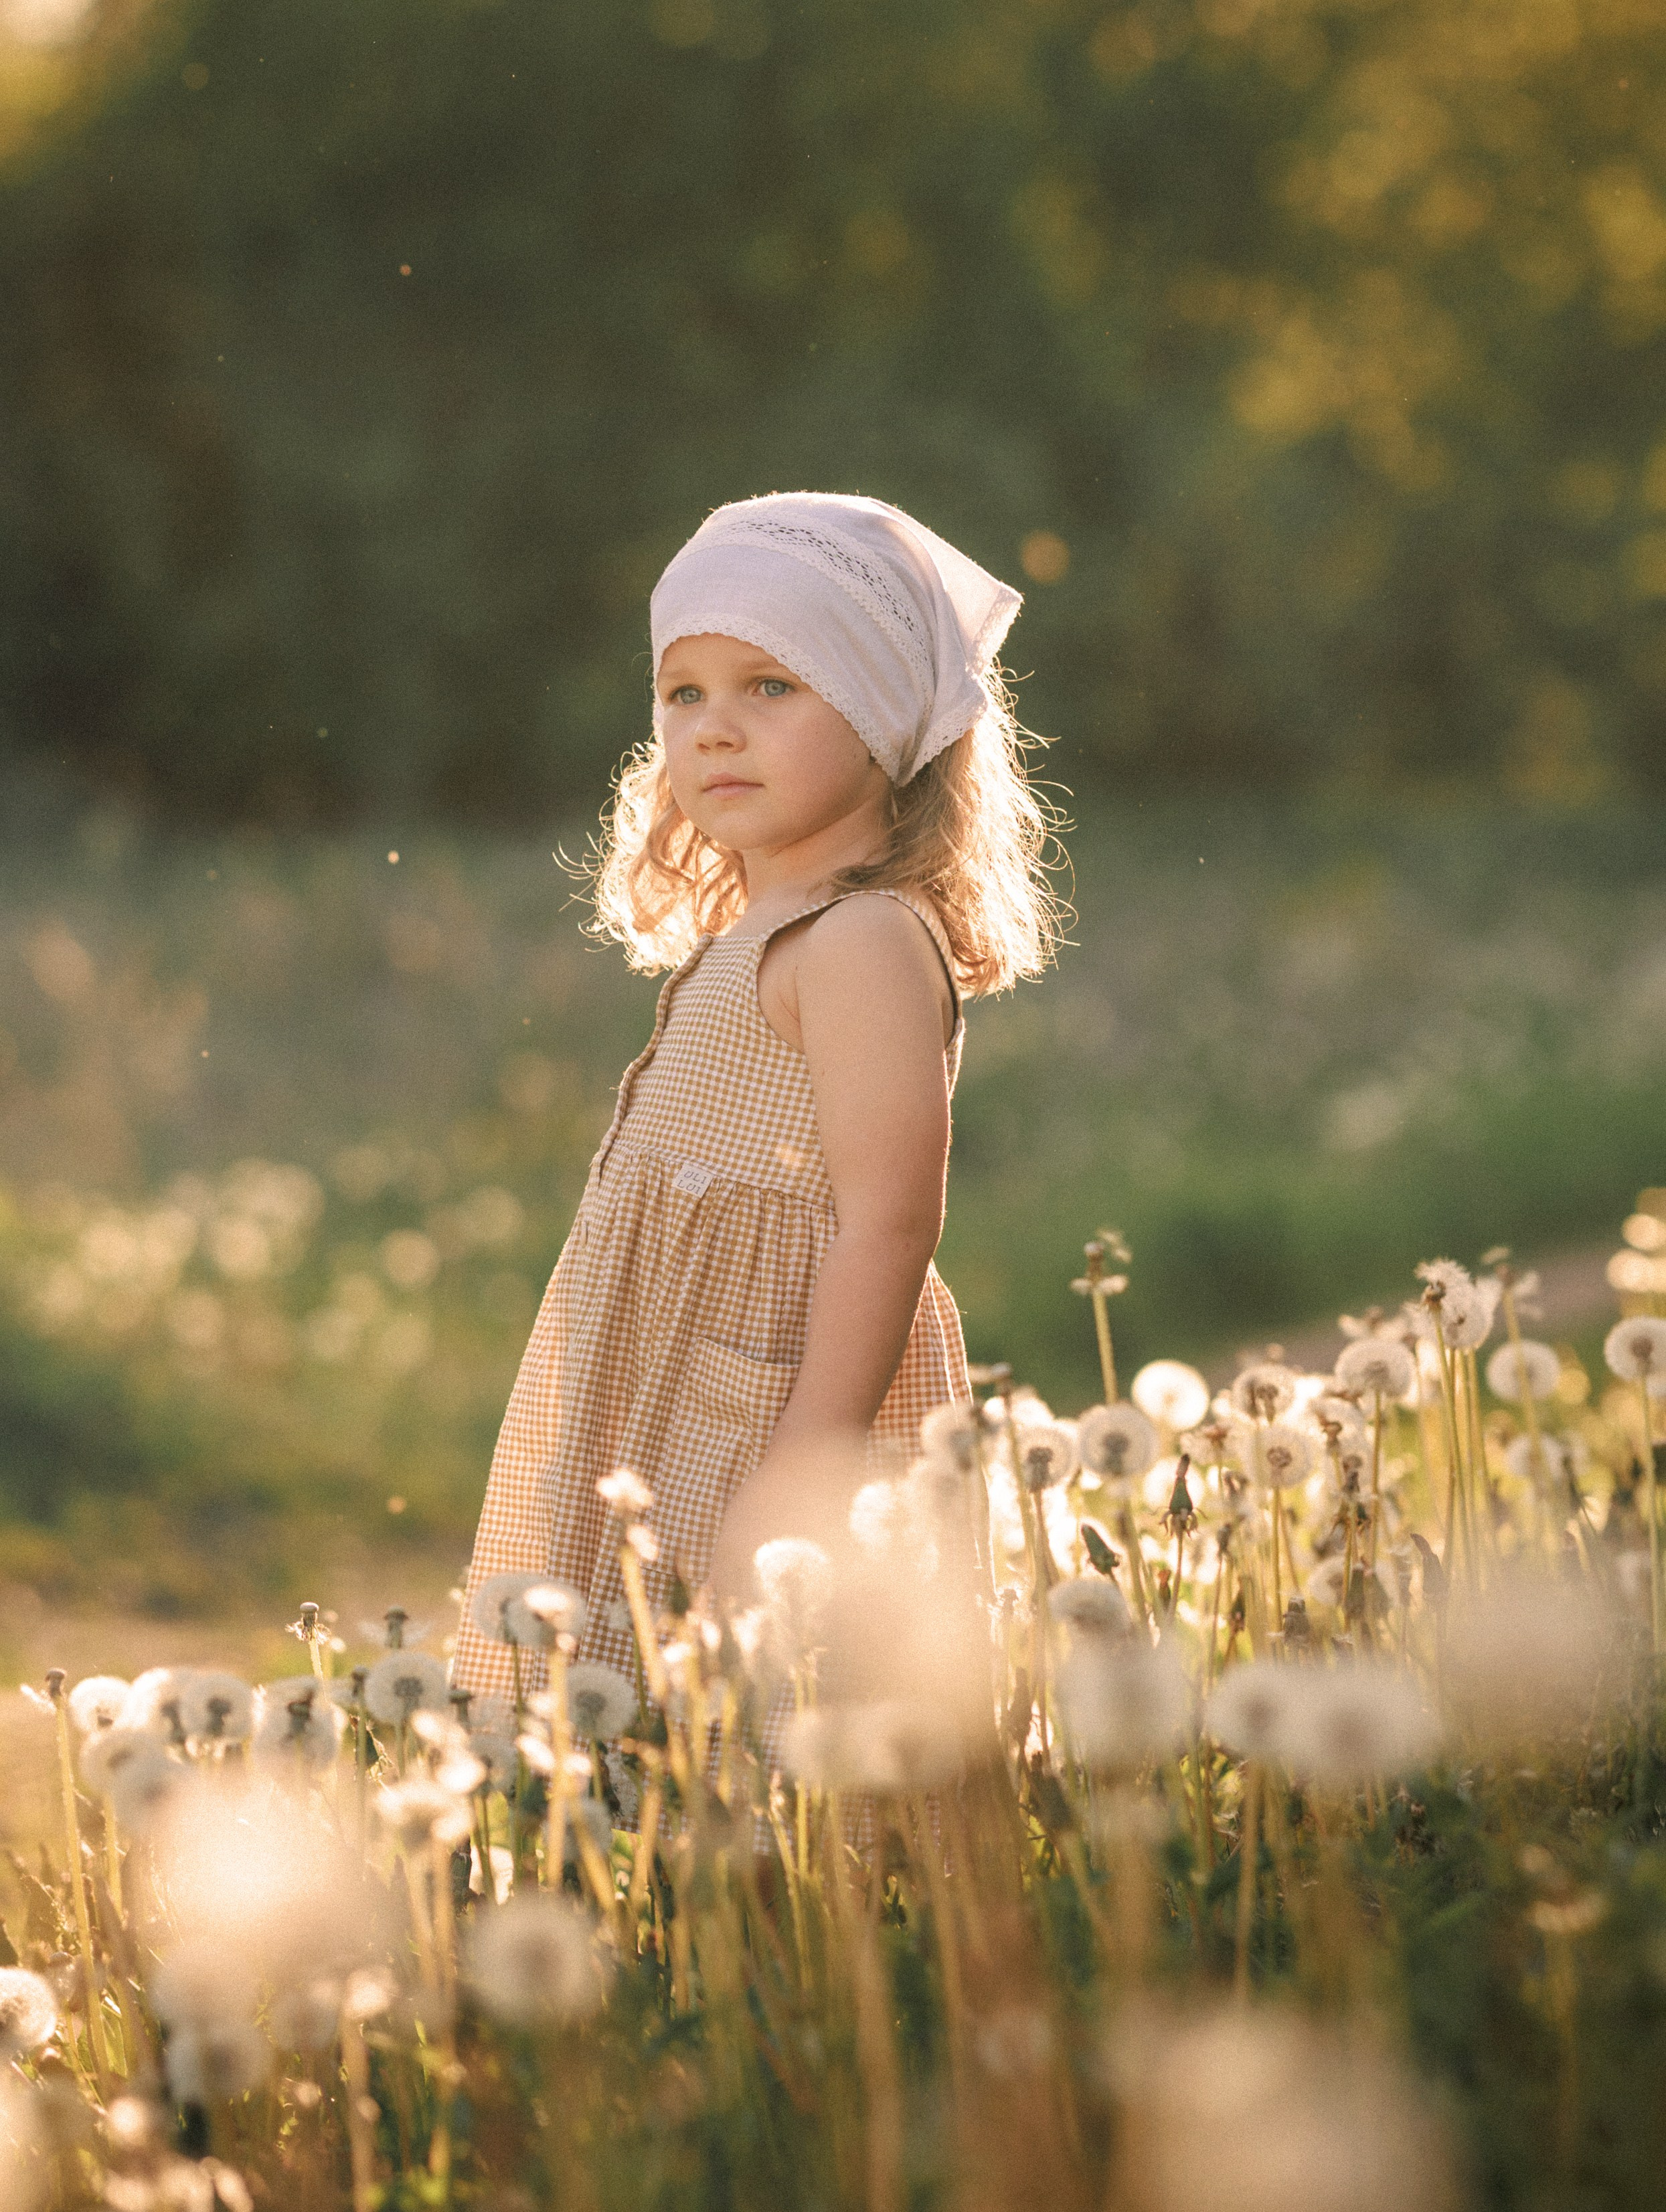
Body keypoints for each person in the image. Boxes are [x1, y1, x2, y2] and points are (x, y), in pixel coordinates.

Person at [450, 490, 1060, 1711]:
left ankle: (787, 1905)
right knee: (644, 1712)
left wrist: (804, 1478)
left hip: (769, 1402)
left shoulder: (860, 939)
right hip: (667, 1392)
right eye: (685, 693)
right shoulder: (762, 924)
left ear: (883, 713)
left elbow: (890, 1223)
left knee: (771, 1722)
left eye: (771, 687)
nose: (715, 729)